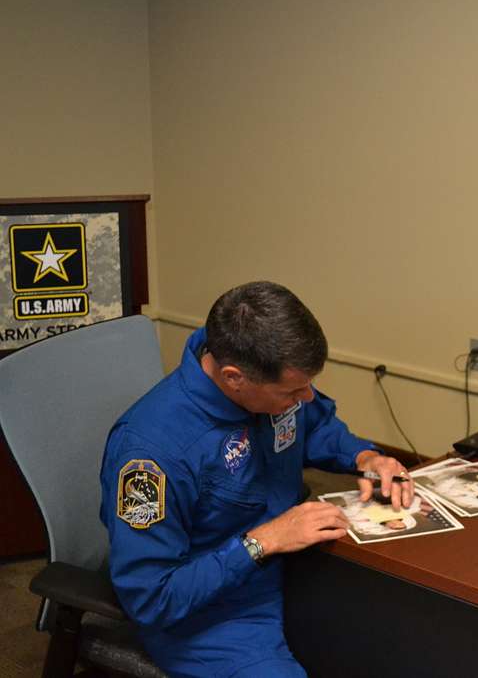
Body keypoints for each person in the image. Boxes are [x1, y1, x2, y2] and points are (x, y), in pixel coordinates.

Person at [99, 281, 414, 677]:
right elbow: (152, 598)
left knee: (407, 636)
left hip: (297, 566)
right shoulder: (152, 454)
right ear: (234, 378)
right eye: (294, 390)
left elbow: (312, 426)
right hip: (215, 613)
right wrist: (263, 541)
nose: (307, 397)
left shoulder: (264, 377)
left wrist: (364, 456)